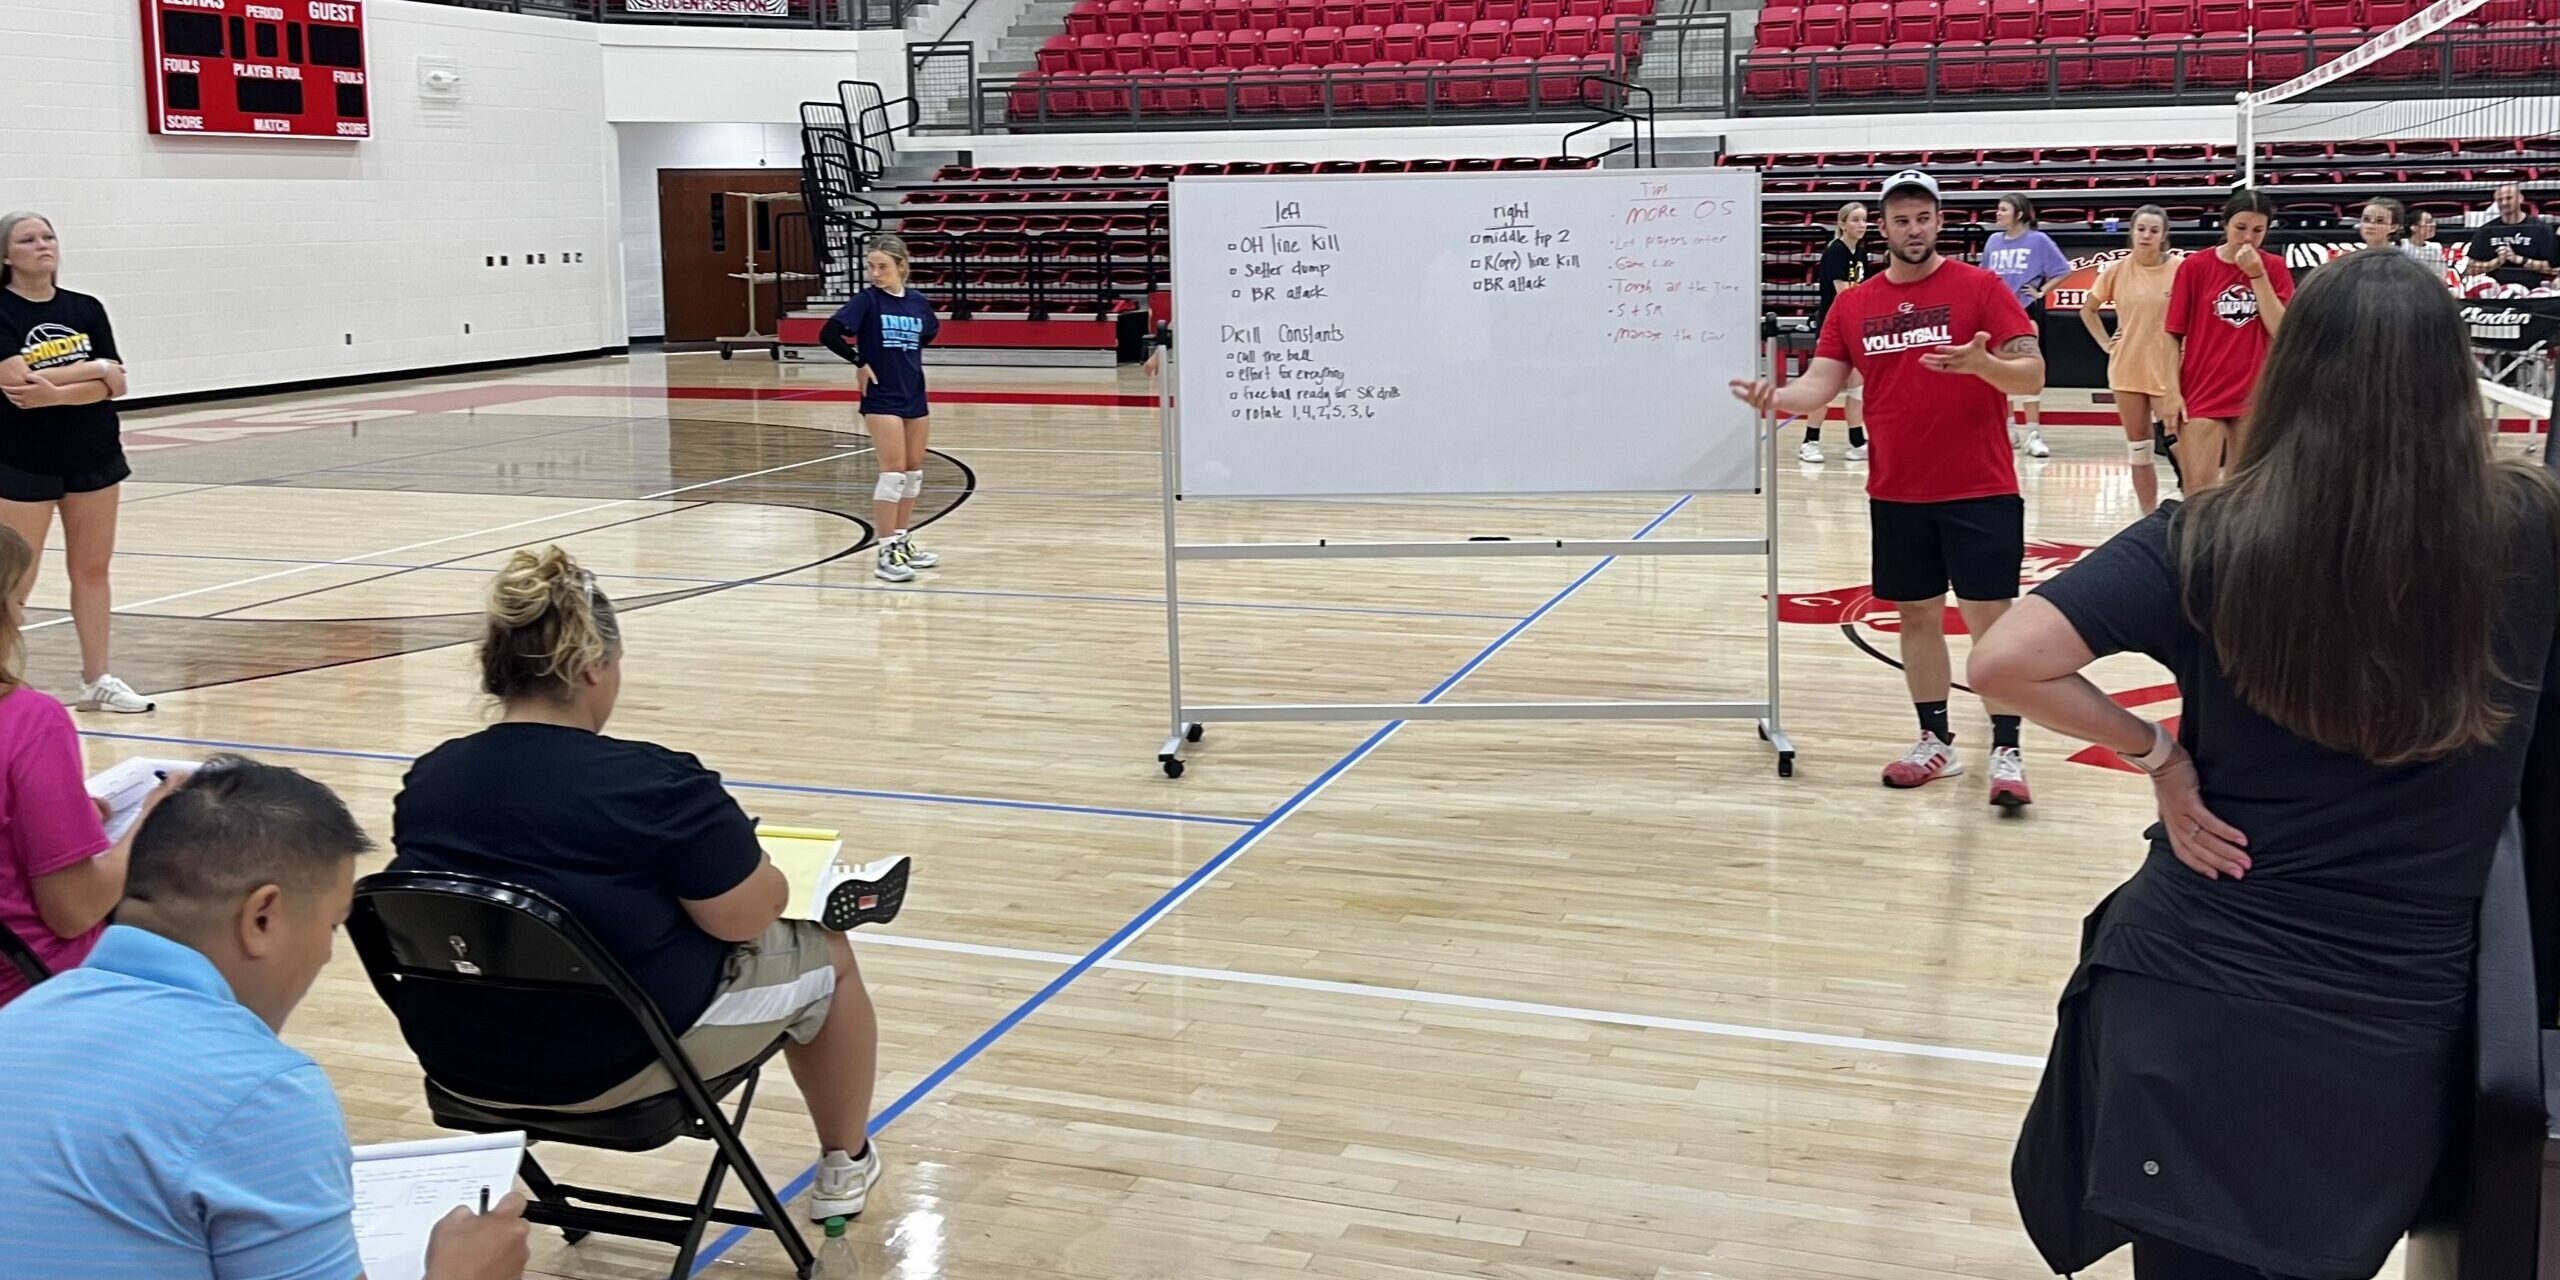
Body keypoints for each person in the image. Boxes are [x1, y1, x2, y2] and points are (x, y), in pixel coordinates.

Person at [1975, 249, 2560, 1280]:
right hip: (2385, 1022)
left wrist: (2155, 751)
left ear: (2290, 374)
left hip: (2193, 991)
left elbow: (2004, 660)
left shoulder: (2206, 532)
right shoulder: (2528, 528)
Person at [388, 546, 889, 1220]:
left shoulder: (430, 780)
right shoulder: (657, 785)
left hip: (464, 1064)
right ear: (594, 664)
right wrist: (758, 869)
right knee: (831, 955)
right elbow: (743, 919)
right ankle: (845, 1162)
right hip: (615, 1066)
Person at [0, 755, 532, 1280]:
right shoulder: (257, 1091)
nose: (325, 956)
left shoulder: (19, 1020)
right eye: (329, 927)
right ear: (262, 916)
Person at [1730, 170, 2047, 807]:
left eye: (1923, 217)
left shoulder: (1981, 288)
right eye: (1901, 219)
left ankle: (2008, 746)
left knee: (1992, 623)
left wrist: (1984, 364)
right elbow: (1819, 385)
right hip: (1898, 490)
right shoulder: (1853, 305)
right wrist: (1778, 398)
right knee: (1917, 616)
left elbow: (2032, 375)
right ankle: (1937, 742)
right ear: (1883, 228)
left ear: (1938, 221)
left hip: (1980, 486)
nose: (1914, 229)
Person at [0, 525, 165, 1006]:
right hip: (34, 996)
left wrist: (66, 816)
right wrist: (151, 824)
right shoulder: (29, 721)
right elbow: (72, 910)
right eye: (15, 598)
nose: (20, 612)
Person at [0, 212, 150, 713]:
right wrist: (96, 374)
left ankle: (97, 679)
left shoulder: (85, 308)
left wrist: (64, 389)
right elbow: (19, 385)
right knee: (16, 577)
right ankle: (4, 683)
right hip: (23, 459)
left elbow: (118, 384)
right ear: (6, 255)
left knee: (92, 569)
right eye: (27, 239)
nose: (42, 245)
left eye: (48, 236)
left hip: (94, 454)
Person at [820, 234, 942, 584]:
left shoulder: (918, 303)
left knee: (913, 473)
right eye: (871, 267)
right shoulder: (867, 302)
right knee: (893, 474)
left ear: (902, 267)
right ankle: (885, 551)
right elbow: (828, 334)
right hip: (881, 397)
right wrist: (859, 360)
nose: (875, 273)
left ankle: (901, 540)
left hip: (913, 393)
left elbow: (927, 334)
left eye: (882, 267)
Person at [2165, 188, 2294, 494]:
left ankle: (2236, 544)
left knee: (2244, 490)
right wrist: (2170, 391)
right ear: (2225, 225)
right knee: (2199, 490)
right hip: (2201, 388)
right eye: (2240, 228)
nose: (2248, 237)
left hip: (2255, 391)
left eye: (2258, 230)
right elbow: (2172, 334)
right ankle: (2197, 544)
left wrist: (2257, 276)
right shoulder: (2195, 267)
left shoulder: (2273, 267)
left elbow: (2282, 329)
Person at [2078, 206, 2181, 515]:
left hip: (2169, 370)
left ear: (2164, 236)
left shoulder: (2180, 269)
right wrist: (2106, 343)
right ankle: (2147, 516)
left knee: (2180, 445)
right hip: (2127, 368)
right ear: (2132, 233)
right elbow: (2088, 310)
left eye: (2153, 230)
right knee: (2140, 449)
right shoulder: (2117, 270)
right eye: (2141, 229)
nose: (2146, 235)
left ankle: (2193, 506)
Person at [1982, 194, 2071, 460]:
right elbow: (1984, 275)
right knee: (2001, 371)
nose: (1997, 214)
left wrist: (2041, 291)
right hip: (1996, 312)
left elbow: (2063, 269)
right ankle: (2009, 429)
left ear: (2019, 214)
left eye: (2003, 210)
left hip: (2024, 310)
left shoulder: (2038, 240)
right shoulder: (1992, 241)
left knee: (2029, 371)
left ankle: (2034, 433)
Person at [1801, 201, 1872, 464]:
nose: (1861, 225)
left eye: (1864, 220)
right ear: (1842, 223)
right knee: (1826, 388)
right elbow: (1844, 294)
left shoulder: (1861, 253)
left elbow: (1864, 291)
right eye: (1855, 220)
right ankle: (1810, 441)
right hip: (1833, 329)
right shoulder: (1836, 251)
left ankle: (1856, 442)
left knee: (1856, 388)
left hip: (1854, 328)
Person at [2463, 182, 2556, 289]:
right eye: (2500, 200)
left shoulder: (2542, 229)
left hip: (2534, 290)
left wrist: (2520, 260)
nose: (2504, 203)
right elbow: (2471, 269)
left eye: (2508, 198)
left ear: (2520, 198)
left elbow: (2554, 269)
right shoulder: (2486, 230)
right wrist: (2497, 262)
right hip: (2494, 291)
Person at [2405, 206, 2448, 271]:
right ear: (2413, 227)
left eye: (2432, 221)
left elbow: (2441, 273)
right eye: (2428, 222)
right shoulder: (2400, 247)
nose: (2433, 225)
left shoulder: (2436, 247)